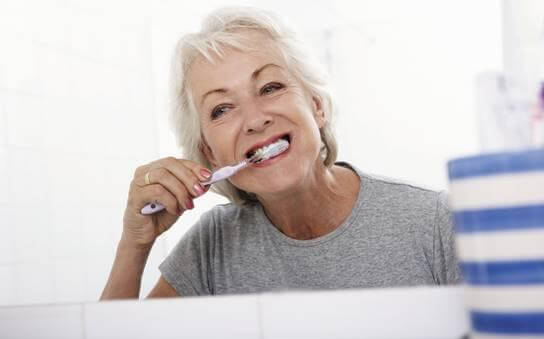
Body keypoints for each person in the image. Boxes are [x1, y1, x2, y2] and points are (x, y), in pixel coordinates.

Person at [100, 7, 460, 300]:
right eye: (222, 109)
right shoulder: (212, 247)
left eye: (270, 87)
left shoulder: (436, 225)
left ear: (317, 106)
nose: (255, 120)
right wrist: (135, 243)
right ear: (209, 153)